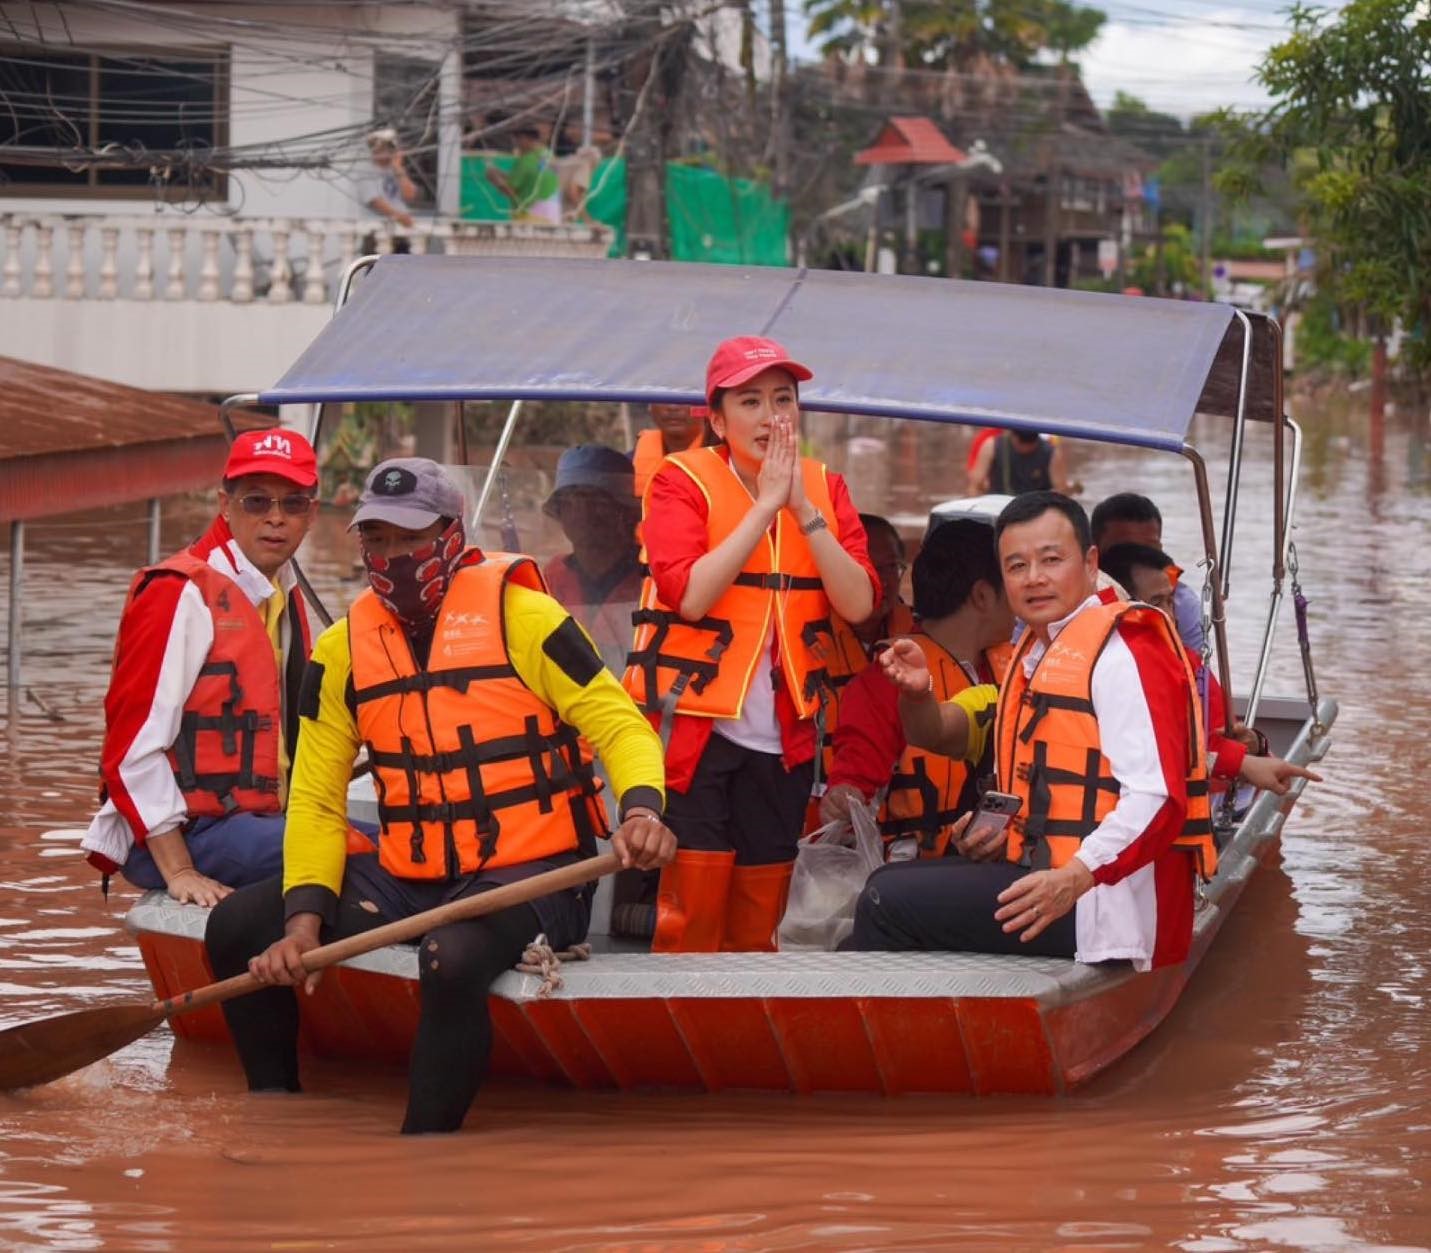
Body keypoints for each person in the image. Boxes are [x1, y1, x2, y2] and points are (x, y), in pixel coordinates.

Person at [204, 457, 674, 1135]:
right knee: (240, 925)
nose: (392, 556)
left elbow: (620, 724)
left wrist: (641, 809)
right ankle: (274, 1114)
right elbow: (313, 797)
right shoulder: (341, 651)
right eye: (377, 540)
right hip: (411, 875)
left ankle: (423, 1152)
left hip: (534, 871)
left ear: (453, 534)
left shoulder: (528, 616)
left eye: (410, 538)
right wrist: (301, 924)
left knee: (448, 956)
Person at [847, 492, 1319, 966]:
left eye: (1051, 560)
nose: (1034, 578)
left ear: (1091, 562)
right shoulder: (1035, 656)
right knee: (887, 884)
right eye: (1016, 566)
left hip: (1107, 904)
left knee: (885, 903)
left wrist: (1073, 878)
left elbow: (1158, 799)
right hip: (1061, 879)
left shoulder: (1122, 654)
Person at [623, 336, 878, 952]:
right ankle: (682, 1022)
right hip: (695, 730)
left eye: (783, 400)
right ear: (716, 418)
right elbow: (690, 596)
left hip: (785, 734)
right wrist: (765, 505)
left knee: (764, 904)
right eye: (752, 401)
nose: (772, 417)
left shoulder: (826, 486)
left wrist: (801, 508)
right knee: (695, 902)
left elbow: (860, 602)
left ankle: (745, 1028)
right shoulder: (678, 481)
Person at [80, 429, 320, 906]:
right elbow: (129, 751)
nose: (275, 518)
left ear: (312, 514)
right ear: (224, 505)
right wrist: (180, 869)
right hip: (186, 834)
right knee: (356, 852)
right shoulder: (180, 592)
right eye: (256, 502)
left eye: (293, 504)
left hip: (254, 824)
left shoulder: (282, 592)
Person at [820, 518, 1014, 858]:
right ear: (983, 595)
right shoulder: (887, 679)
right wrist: (842, 795)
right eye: (1014, 577)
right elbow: (853, 777)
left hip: (987, 866)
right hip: (906, 876)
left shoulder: (1013, 670)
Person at [803, 513, 915, 825]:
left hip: (902, 823)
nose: (880, 580)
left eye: (890, 567)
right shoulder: (801, 643)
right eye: (864, 565)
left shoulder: (923, 642)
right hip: (816, 815)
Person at [540, 444, 644, 673]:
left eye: (597, 500)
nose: (581, 511)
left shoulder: (653, 578)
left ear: (625, 513)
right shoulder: (550, 577)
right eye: (569, 502)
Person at [1091, 492, 1204, 656]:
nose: (1139, 558)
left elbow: (1194, 673)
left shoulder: (1182, 602)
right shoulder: (1071, 597)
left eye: (1148, 549)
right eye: (1125, 550)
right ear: (1094, 552)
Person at [485, 122, 562, 224]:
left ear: (524, 138)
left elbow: (509, 191)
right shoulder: (549, 155)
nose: (515, 143)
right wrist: (502, 173)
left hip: (530, 217)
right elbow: (533, 179)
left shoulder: (525, 160)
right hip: (553, 216)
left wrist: (494, 178)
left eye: (516, 139)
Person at [632, 404, 714, 498]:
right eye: (664, 397)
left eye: (685, 396)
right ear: (650, 406)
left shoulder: (727, 460)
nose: (673, 407)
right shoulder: (627, 465)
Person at [356, 127, 418, 252]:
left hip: (400, 234)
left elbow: (410, 195)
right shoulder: (365, 171)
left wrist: (398, 168)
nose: (380, 151)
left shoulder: (396, 170)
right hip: (376, 234)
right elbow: (375, 201)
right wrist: (399, 217)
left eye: (386, 147)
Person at [968, 429, 1072, 496]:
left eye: (1029, 446)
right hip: (998, 507)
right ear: (1013, 436)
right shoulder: (991, 446)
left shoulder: (1052, 454)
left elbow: (1061, 491)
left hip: (1035, 511)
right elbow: (975, 485)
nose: (1025, 449)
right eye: (1021, 445)